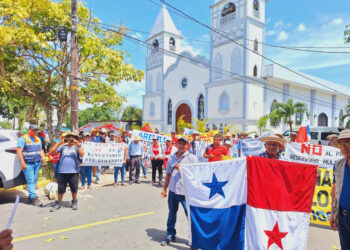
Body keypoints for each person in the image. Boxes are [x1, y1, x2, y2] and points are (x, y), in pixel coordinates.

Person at [161, 136, 198, 246]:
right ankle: (170, 234)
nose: (181, 145)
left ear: (188, 145)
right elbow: (168, 174)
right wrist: (164, 189)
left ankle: (193, 237)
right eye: (179, 143)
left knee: (190, 215)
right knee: (172, 213)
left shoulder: (192, 158)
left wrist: (182, 168)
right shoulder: (172, 157)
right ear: (176, 145)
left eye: (184, 143)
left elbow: (196, 174)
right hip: (173, 191)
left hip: (186, 192)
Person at [49, 132, 84, 212]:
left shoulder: (76, 147)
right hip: (62, 171)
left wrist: (78, 145)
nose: (70, 140)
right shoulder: (62, 147)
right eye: (68, 138)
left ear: (75, 139)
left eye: (72, 138)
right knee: (61, 189)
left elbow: (82, 154)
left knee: (74, 188)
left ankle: (74, 201)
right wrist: (58, 144)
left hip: (74, 171)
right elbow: (52, 152)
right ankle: (59, 202)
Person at [16, 124, 46, 206]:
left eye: (36, 130)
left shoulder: (38, 139)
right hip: (28, 164)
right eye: (34, 130)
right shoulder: (22, 139)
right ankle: (34, 198)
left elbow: (41, 150)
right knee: (30, 180)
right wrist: (22, 163)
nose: (36, 131)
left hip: (37, 162)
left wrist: (43, 156)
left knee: (34, 180)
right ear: (29, 130)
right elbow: (19, 151)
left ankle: (30, 196)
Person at [330, 129, 350, 249]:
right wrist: (333, 213)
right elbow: (335, 189)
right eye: (341, 144)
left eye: (348, 143)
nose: (344, 147)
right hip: (343, 217)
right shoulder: (339, 165)